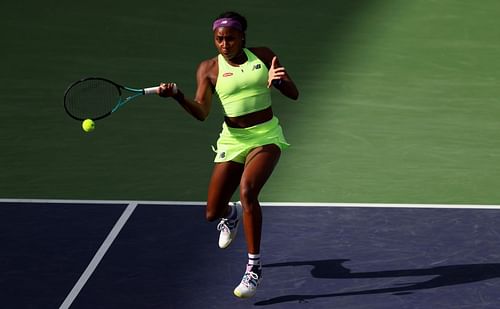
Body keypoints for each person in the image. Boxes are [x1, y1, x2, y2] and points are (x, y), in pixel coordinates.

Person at [158, 11, 299, 298]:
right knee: (212, 212)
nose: (224, 44)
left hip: (266, 135)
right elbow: (202, 112)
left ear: (242, 37)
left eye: (230, 38)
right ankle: (230, 215)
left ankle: (253, 267)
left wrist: (280, 81)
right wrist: (178, 96)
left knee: (248, 191)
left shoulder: (263, 56)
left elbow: (294, 94)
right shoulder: (209, 69)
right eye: (219, 39)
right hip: (232, 139)